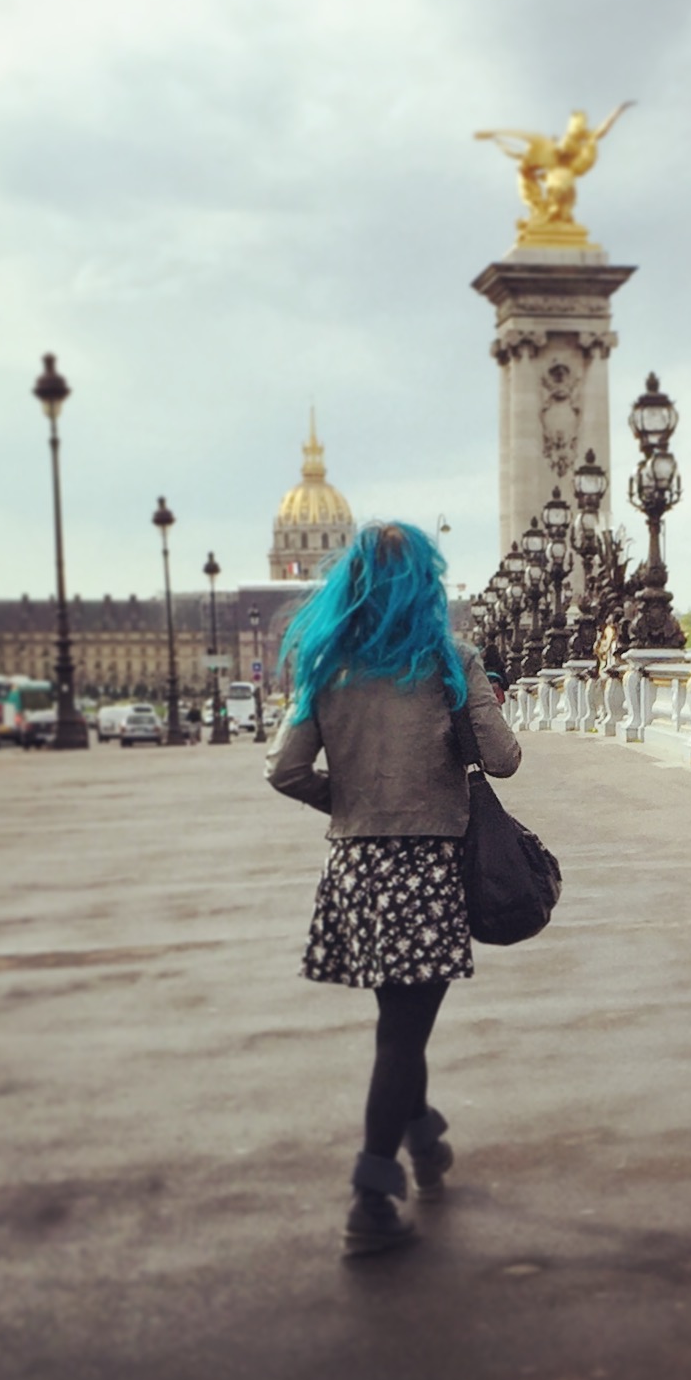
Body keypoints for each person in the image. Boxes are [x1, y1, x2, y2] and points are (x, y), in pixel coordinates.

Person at [266, 521, 520, 1257]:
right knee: (402, 1034)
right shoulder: (451, 662)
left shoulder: (326, 663)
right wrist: (481, 707)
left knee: (399, 1026)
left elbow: (283, 771)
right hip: (424, 870)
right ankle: (372, 1197)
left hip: (354, 871)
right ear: (426, 586)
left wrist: (347, 805)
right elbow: (503, 761)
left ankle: (424, 1134)